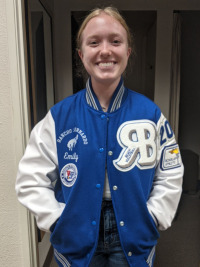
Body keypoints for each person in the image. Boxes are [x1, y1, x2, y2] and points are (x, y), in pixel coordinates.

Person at [16, 7, 184, 267]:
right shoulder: (59, 117)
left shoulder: (150, 115)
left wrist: (154, 216)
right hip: (77, 229)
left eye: (115, 41)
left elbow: (170, 172)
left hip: (133, 227)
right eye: (94, 42)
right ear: (81, 55)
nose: (105, 50)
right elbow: (31, 179)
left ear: (127, 52)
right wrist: (58, 220)